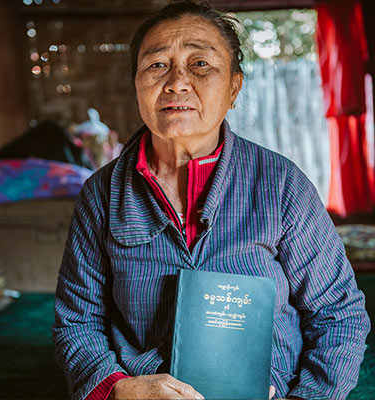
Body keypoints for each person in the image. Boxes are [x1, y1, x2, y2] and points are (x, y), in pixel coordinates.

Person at [52, 2, 371, 399]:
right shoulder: (101, 194)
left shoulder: (281, 184)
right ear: (137, 83)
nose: (177, 83)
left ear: (234, 87)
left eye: (200, 64)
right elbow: (77, 321)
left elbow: (338, 313)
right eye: (156, 66)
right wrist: (118, 389)